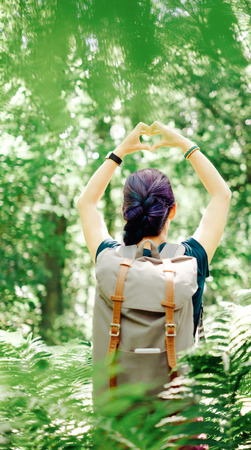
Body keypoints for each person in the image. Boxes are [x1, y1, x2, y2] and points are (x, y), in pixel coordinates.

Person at [77, 120, 231, 341]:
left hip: (121, 377)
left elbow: (86, 203)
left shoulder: (110, 258)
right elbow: (222, 195)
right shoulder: (191, 259)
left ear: (125, 211)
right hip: (180, 376)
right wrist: (182, 144)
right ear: (172, 210)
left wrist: (120, 151)